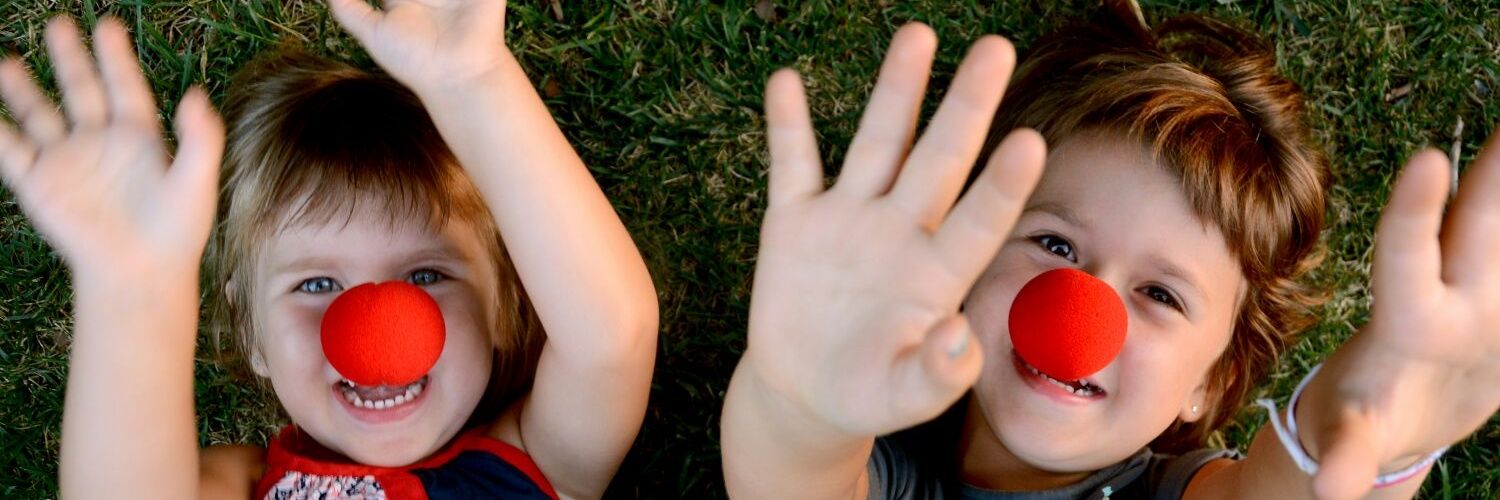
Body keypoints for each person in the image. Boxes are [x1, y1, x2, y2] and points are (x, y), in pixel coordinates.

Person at [721, 7, 1499, 500]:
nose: (1081, 307)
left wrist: (1378, 436)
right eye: (1054, 243)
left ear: (1209, 384)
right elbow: (790, 481)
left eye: (1162, 294)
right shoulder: (888, 454)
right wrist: (799, 403)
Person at [0, 0, 657, 498]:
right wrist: (132, 297)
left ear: (502, 308)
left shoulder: (534, 461)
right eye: (315, 284)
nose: (372, 326)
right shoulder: (242, 482)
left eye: (427, 274)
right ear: (252, 331)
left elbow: (611, 342)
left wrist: (477, 83)